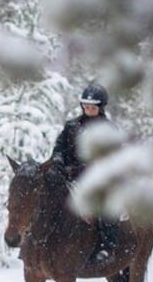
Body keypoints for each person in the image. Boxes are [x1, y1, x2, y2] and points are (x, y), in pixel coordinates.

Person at [50, 82, 119, 263]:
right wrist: (57, 160)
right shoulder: (71, 126)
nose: (88, 109)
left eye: (92, 107)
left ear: (101, 108)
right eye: (86, 106)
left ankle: (107, 246)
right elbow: (59, 147)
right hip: (69, 177)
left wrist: (82, 169)